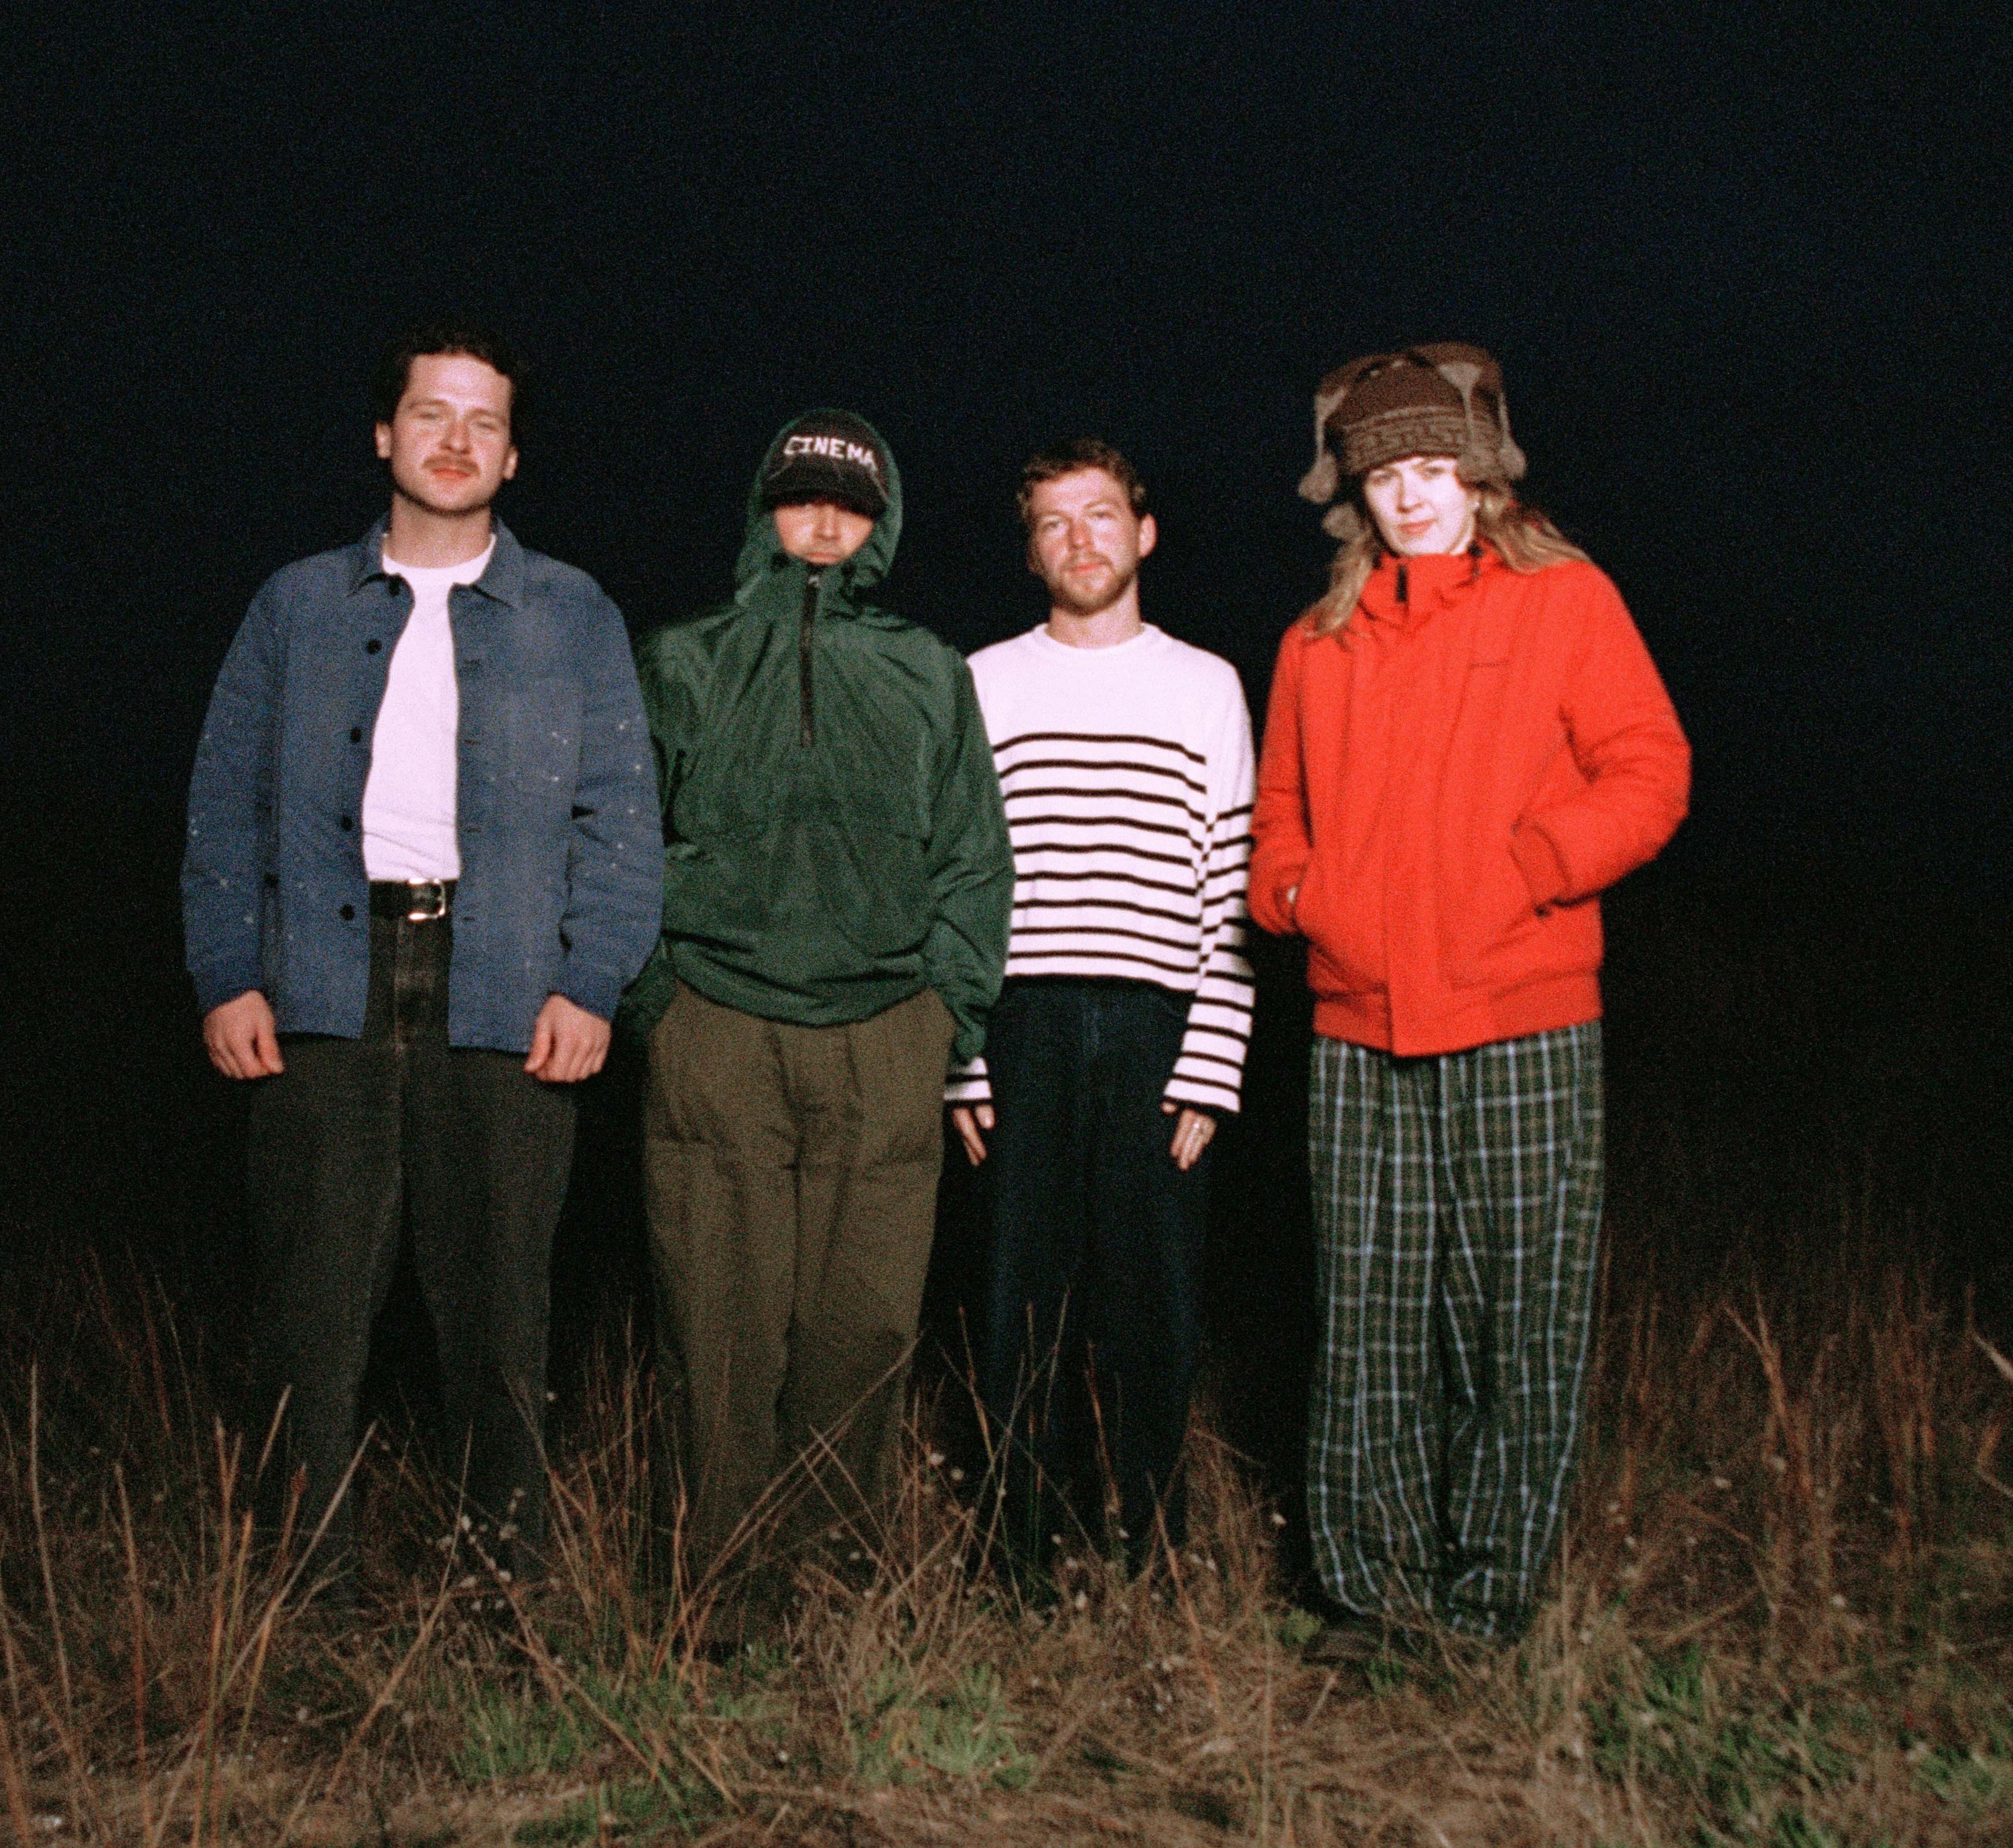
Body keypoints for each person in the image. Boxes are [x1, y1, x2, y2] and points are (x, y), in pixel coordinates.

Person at [182, 321, 660, 1586]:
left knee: (500, 1314)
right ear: (385, 434)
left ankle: (499, 1589)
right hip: (323, 983)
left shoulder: (571, 612)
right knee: (311, 1310)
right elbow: (225, 801)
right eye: (432, 414)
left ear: (512, 457)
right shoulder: (295, 603)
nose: (456, 440)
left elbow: (621, 813)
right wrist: (228, 973)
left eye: (483, 422)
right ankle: (303, 1592)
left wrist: (590, 981)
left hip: (503, 985)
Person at [1249, 343, 1688, 1657]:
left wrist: (1533, 868)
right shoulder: (1315, 643)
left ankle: (1488, 1596)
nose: (1412, 494)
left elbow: (1649, 768)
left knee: (1521, 1314)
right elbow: (1276, 820)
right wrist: (1303, 895)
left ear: (1480, 477)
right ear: (1354, 491)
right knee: (1369, 1311)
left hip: (1522, 1011)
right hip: (1361, 1021)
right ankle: (1375, 1592)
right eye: (1386, 473)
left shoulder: (1564, 599)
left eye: (1435, 467)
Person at [628, 410, 1012, 1605]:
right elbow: (622, 834)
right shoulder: (682, 655)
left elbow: (972, 854)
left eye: (850, 504)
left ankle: (838, 1593)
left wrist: (946, 1009)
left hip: (884, 1026)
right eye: (802, 497)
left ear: (880, 522)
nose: (825, 520)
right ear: (765, 506)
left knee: (862, 1327)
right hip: (717, 1021)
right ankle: (718, 1594)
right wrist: (654, 998)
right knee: (719, 1323)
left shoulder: (926, 667)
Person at [945, 439, 1254, 1564]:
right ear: (1031, 554)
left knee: (1152, 1301)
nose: (1080, 539)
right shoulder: (981, 680)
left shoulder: (1206, 685)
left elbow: (1230, 881)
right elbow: (957, 879)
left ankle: (1154, 1547)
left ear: (1144, 531)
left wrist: (1211, 1063)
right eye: (1053, 522)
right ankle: (1021, 1555)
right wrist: (961, 1058)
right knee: (1019, 1300)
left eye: (1101, 515)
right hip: (1020, 1019)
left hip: (1155, 1025)